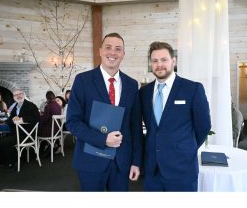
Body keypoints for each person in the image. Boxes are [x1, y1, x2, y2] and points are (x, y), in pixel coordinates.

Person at [66, 32, 143, 191]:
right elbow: (72, 122)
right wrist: (103, 139)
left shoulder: (132, 85)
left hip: (121, 162)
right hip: (91, 160)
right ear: (100, 51)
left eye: (118, 49)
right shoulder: (83, 81)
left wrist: (136, 161)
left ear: (123, 54)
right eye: (108, 47)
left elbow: (135, 127)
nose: (112, 53)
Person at [140, 41, 211, 191]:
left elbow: (203, 127)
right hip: (152, 170)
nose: (159, 65)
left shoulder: (192, 89)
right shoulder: (143, 93)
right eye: (155, 61)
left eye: (164, 60)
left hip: (182, 169)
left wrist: (184, 148)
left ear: (174, 61)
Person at [0, 88, 40, 169]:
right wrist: (12, 119)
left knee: (4, 142)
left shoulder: (31, 105)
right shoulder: (15, 106)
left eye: (20, 94)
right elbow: (9, 119)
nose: (18, 96)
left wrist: (21, 119)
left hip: (27, 134)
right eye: (16, 95)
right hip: (17, 133)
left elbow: (36, 118)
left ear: (23, 94)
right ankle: (8, 160)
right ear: (13, 97)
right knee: (0, 141)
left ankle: (13, 161)